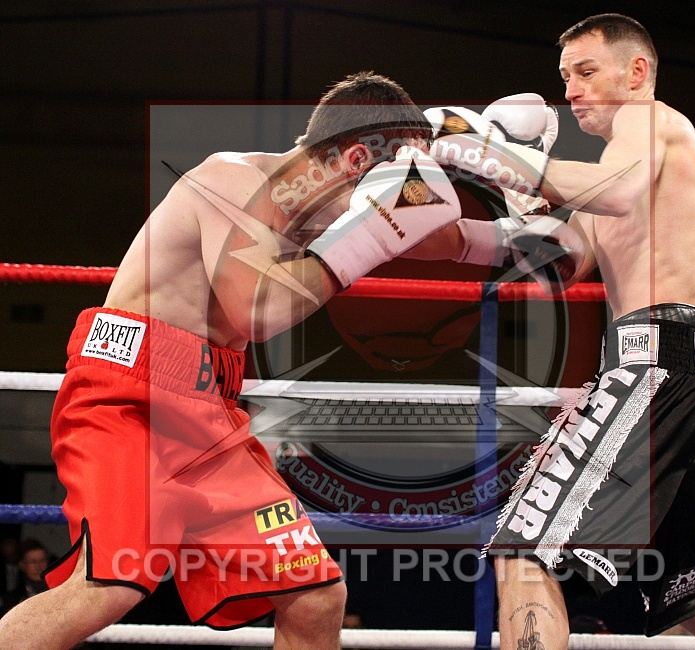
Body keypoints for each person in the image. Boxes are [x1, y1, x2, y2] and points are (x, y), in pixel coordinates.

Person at [0, 71, 462, 650]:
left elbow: (436, 230)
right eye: (386, 180)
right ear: (353, 159)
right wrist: (369, 236)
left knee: (316, 596)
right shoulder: (231, 180)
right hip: (129, 397)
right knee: (109, 585)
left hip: (211, 409)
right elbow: (254, 311)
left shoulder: (316, 215)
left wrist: (522, 209)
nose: (384, 202)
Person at [414, 13, 695, 650]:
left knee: (524, 553)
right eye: (565, 78)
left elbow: (617, 189)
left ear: (636, 72)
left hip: (654, 374)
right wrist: (431, 221)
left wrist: (490, 152)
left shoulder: (650, 120)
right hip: (686, 379)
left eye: (585, 72)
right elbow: (550, 260)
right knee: (687, 592)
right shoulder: (616, 175)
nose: (572, 91)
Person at [0, 539, 48, 617]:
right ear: (22, 565)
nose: (38, 566)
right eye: (33, 562)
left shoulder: (57, 591)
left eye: (42, 561)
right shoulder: (11, 599)